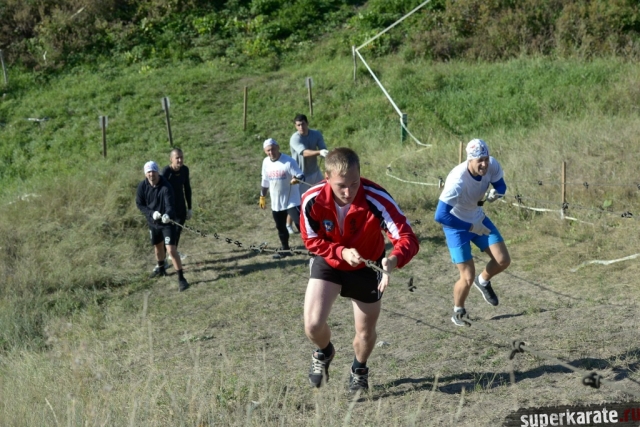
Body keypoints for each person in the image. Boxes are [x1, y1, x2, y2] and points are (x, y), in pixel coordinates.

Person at [299, 147, 419, 393]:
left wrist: (393, 259)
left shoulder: (376, 198)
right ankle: (325, 352)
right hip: (330, 260)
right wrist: (341, 252)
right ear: (327, 177)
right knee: (312, 325)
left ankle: (359, 369)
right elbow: (311, 240)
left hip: (368, 266)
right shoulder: (311, 199)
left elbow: (407, 237)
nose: (348, 192)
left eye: (354, 184)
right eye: (341, 186)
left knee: (364, 332)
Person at [434, 139, 511, 326]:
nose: (484, 164)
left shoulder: (492, 165)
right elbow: (440, 215)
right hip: (456, 226)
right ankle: (458, 311)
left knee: (503, 260)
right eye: (479, 160)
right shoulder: (457, 181)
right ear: (470, 160)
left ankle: (483, 281)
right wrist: (469, 227)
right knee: (467, 276)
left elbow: (501, 186)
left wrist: (497, 193)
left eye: (486, 158)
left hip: (478, 218)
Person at [136, 161, 190, 292]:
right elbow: (140, 204)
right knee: (158, 246)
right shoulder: (142, 186)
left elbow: (170, 205)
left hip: (167, 223)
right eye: (148, 172)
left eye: (153, 171)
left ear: (157, 172)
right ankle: (161, 269)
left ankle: (181, 279)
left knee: (171, 250)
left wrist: (167, 214)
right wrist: (151, 213)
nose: (151, 174)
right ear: (145, 174)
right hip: (153, 222)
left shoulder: (166, 186)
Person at [259, 138, 305, 260]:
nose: (271, 152)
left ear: (278, 147)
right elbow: (265, 181)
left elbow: (301, 175)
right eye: (268, 150)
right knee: (280, 227)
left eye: (273, 149)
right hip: (277, 202)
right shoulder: (266, 162)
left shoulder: (288, 161)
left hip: (292, 200)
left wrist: (296, 179)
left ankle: (315, 249)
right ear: (265, 151)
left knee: (301, 225)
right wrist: (262, 196)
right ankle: (285, 250)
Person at [287, 113, 329, 234]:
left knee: (322, 194)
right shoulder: (295, 138)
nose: (301, 127)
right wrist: (319, 152)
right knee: (297, 201)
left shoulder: (316, 134)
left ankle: (320, 219)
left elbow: (323, 148)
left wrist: (325, 152)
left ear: (307, 123)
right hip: (299, 175)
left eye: (303, 124)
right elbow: (304, 152)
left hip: (315, 171)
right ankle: (288, 224)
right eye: (298, 125)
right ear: (295, 126)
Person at [161, 148, 192, 261]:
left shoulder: (185, 170)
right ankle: (163, 258)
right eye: (177, 158)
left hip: (180, 205)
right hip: (168, 207)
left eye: (181, 157)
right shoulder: (166, 172)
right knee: (169, 232)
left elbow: (187, 188)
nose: (180, 160)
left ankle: (173, 252)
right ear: (171, 159)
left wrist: (189, 208)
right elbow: (160, 191)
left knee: (178, 230)